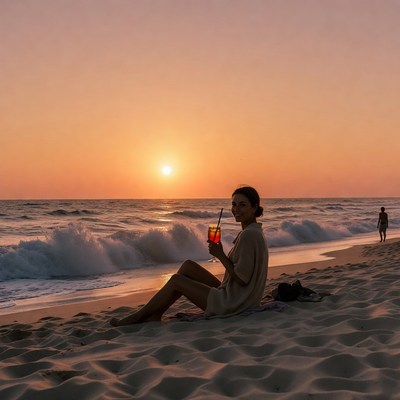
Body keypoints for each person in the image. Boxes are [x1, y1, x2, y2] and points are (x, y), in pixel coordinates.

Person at [110, 186, 269, 326]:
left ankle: (138, 317)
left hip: (234, 303)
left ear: (255, 208)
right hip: (238, 295)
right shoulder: (253, 231)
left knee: (176, 281)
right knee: (188, 266)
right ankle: (155, 313)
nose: (236, 209)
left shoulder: (249, 235)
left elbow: (243, 279)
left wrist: (220, 255)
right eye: (234, 204)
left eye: (242, 205)